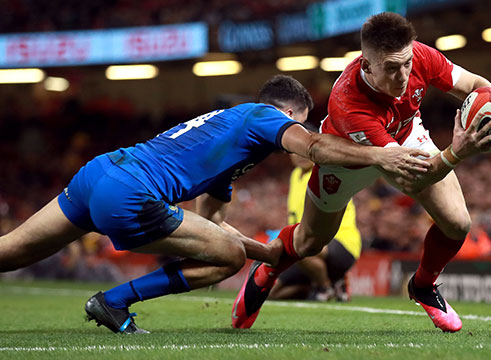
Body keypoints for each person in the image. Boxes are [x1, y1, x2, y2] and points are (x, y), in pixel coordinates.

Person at [0, 75, 433, 334]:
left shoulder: (232, 149)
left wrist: (266, 253)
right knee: (228, 258)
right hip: (130, 190)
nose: (292, 139)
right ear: (290, 112)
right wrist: (381, 154)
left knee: (11, 250)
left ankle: (114, 302)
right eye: (295, 125)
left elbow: (210, 226)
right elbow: (317, 147)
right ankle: (113, 302)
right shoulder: (264, 117)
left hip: (100, 173)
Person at [232, 13, 491, 333]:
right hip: (347, 157)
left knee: (458, 223)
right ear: (367, 65)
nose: (404, 75)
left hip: (404, 136)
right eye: (392, 68)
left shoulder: (420, 55)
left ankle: (423, 286)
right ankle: (267, 269)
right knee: (311, 241)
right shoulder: (349, 102)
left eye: (406, 63)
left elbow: (473, 84)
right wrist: (457, 152)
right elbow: (414, 175)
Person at [269, 152, 361, 302]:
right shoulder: (295, 175)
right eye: (295, 152)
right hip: (309, 246)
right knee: (272, 292)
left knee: (297, 245)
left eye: (304, 152)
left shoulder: (325, 173)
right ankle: (329, 284)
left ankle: (324, 287)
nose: (300, 156)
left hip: (340, 241)